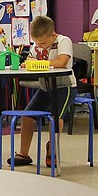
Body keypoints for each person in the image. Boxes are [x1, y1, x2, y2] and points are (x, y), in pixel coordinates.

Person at [10, 15, 77, 168]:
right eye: (37, 42)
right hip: (46, 88)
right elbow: (29, 61)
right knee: (26, 117)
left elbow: (62, 62)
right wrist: (26, 64)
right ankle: (23, 154)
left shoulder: (63, 41)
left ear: (52, 35)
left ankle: (52, 150)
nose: (40, 46)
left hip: (64, 87)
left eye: (43, 42)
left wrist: (39, 63)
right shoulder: (37, 46)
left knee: (55, 117)